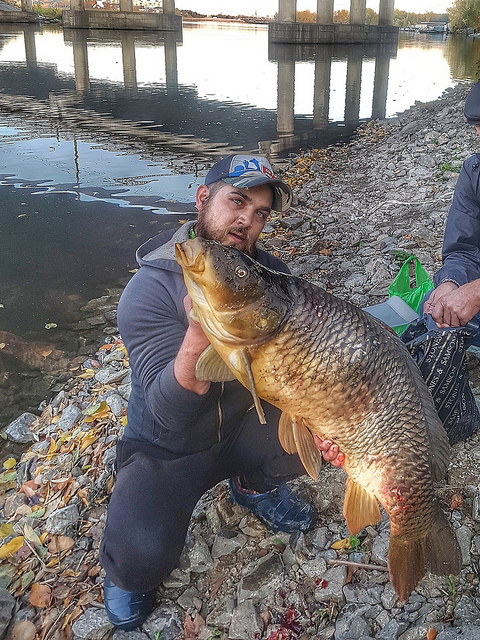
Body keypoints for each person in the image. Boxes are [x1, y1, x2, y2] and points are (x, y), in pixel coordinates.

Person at [99, 154, 344, 631]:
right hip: (168, 446)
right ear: (203, 198)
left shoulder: (268, 276)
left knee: (322, 432)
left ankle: (250, 485)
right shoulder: (147, 292)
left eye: (260, 214)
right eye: (237, 202)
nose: (246, 222)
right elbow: (169, 413)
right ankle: (127, 567)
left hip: (242, 424)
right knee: (137, 558)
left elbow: (292, 366)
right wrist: (197, 337)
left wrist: (326, 413)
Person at [423, 80, 480, 332]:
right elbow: (463, 249)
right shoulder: (474, 172)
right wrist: (451, 283)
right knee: (435, 309)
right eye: (479, 128)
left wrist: (476, 292)